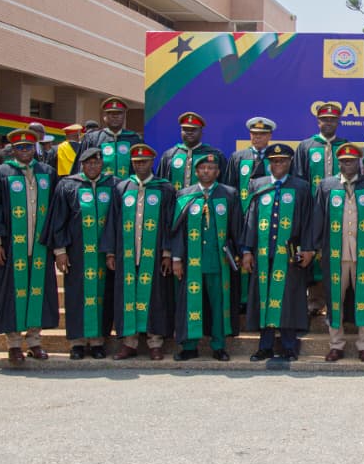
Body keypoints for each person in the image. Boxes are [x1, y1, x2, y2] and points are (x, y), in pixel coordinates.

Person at [0, 128, 58, 364]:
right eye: (20, 147)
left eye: (28, 147)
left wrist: (56, 245)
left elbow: (55, 212)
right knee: (11, 294)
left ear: (34, 148)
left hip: (40, 246)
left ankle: (35, 341)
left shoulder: (47, 173)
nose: (25, 151)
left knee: (38, 292)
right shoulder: (1, 174)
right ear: (13, 150)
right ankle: (14, 344)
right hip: (11, 247)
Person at [307, 143, 364, 362]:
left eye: (351, 161)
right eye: (343, 161)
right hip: (335, 254)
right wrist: (315, 247)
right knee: (334, 300)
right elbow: (318, 217)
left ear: (359, 162)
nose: (347, 165)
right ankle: (336, 344)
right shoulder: (327, 185)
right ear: (338, 163)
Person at [101, 144, 175, 361]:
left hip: (154, 254)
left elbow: (170, 222)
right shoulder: (122, 188)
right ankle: (129, 342)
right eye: (136, 162)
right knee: (127, 296)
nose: (140, 165)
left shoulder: (164, 188)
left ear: (152, 162)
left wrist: (167, 253)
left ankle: (155, 343)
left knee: (155, 297)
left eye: (144, 161)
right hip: (127, 252)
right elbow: (112, 221)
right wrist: (110, 253)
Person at [240, 143, 312, 362]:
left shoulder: (301, 186)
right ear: (268, 163)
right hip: (263, 253)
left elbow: (308, 220)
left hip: (289, 254)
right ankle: (265, 346)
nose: (278, 164)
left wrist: (308, 249)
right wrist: (247, 250)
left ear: (290, 162)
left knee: (288, 298)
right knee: (264, 298)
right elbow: (250, 219)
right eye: (274, 161)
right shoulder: (258, 185)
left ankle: (289, 346)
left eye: (282, 161)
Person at [43, 147, 116, 359]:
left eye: (96, 162)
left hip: (103, 254)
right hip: (77, 254)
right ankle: (77, 342)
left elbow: (116, 221)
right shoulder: (68, 186)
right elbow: (59, 220)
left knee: (103, 296)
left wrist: (112, 251)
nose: (92, 166)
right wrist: (60, 251)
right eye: (88, 163)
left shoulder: (113, 185)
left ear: (102, 164)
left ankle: (98, 341)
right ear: (81, 165)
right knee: (76, 296)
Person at [170, 153, 242, 361]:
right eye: (202, 168)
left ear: (218, 172)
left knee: (219, 306)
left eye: (211, 168)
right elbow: (176, 230)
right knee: (191, 304)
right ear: (196, 171)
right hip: (191, 262)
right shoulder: (185, 195)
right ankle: (189, 346)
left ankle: (219, 346)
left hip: (218, 262)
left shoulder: (229, 194)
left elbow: (236, 227)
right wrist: (176, 258)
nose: (206, 171)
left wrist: (240, 253)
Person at [292, 101, 348, 316]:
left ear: (338, 122)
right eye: (324, 119)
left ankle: (339, 302)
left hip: (340, 211)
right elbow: (299, 180)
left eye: (332, 120)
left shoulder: (344, 146)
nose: (328, 123)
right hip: (313, 210)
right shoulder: (306, 146)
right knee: (313, 252)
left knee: (339, 253)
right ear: (318, 121)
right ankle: (314, 301)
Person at [225, 116, 276, 312]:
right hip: (243, 218)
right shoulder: (238, 157)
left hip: (269, 217)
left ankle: (266, 297)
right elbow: (230, 188)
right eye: (254, 134)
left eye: (262, 134)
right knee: (243, 255)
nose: (258, 137)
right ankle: (244, 300)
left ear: (269, 136)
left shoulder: (276, 157)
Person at [158, 111, 227, 191]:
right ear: (181, 131)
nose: (189, 133)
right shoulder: (170, 155)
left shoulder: (214, 155)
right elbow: (161, 186)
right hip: (176, 198)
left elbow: (224, 186)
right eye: (185, 129)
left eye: (193, 130)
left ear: (201, 132)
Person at [75, 97, 142, 178]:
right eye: (111, 113)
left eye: (119, 113)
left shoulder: (134, 139)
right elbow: (81, 167)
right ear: (104, 116)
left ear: (124, 116)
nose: (115, 116)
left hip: (128, 184)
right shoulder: (93, 139)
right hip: (100, 185)